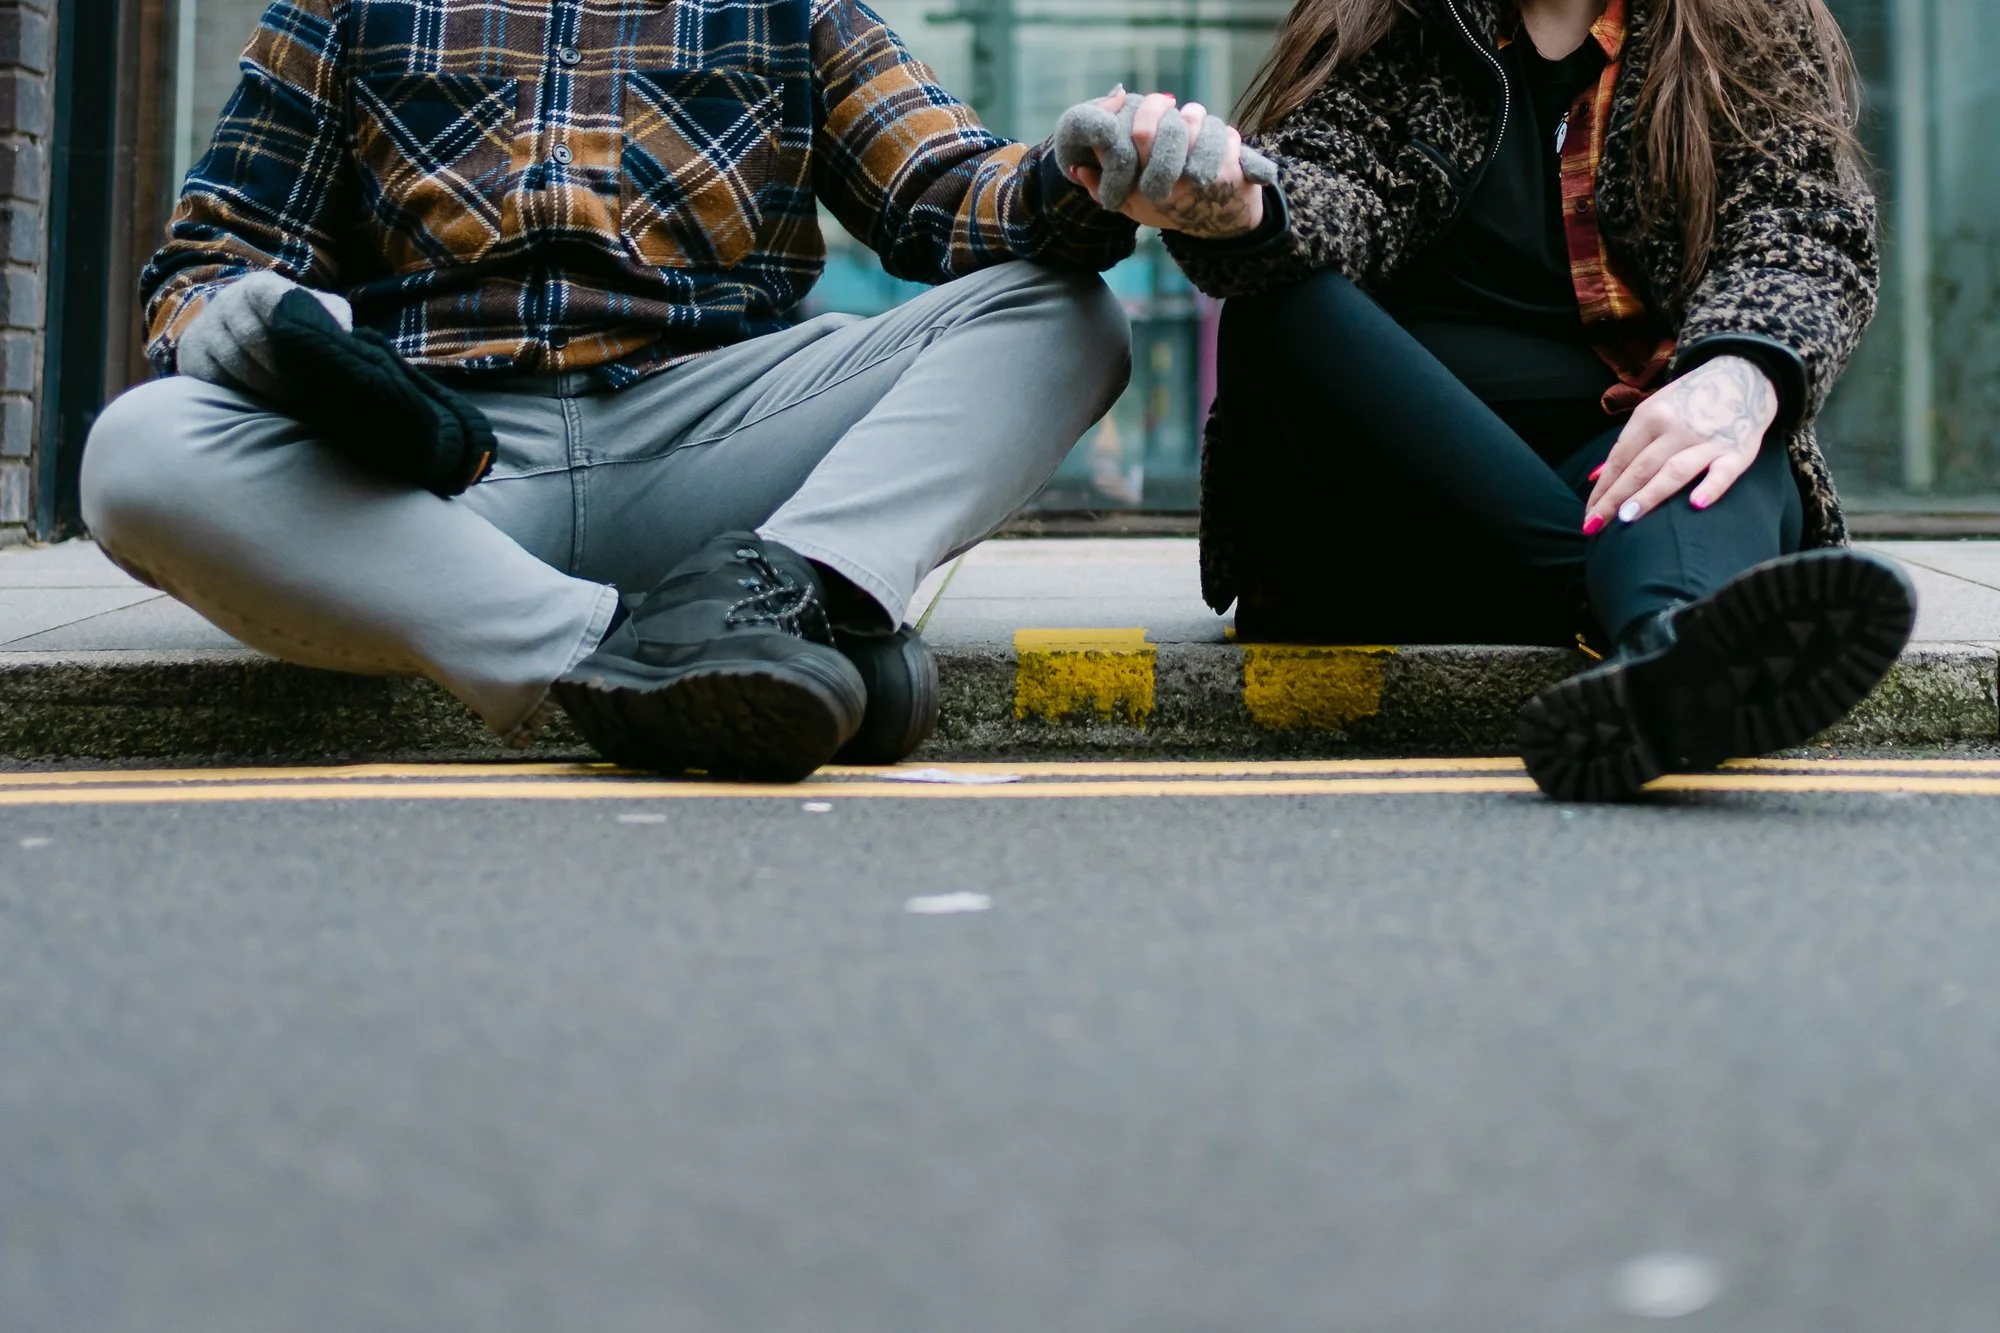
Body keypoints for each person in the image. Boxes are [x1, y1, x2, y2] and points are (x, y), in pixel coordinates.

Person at [78, 0, 1164, 782]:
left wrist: (1065, 174)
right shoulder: (342, 8)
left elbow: (940, 191)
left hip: (710, 447)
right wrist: (264, 332)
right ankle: (621, 652)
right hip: (436, 473)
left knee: (1058, 313)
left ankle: (785, 596)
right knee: (135, 449)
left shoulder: (793, 11)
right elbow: (211, 259)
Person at [1073, 0, 1915, 801]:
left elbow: (1803, 232)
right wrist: (1242, 206)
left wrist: (1736, 374)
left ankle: (1659, 655)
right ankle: (1655, 637)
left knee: (1726, 439)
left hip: (1619, 446)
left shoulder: (1750, 24)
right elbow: (1334, 191)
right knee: (1277, 312)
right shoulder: (1386, 17)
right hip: (1402, 490)